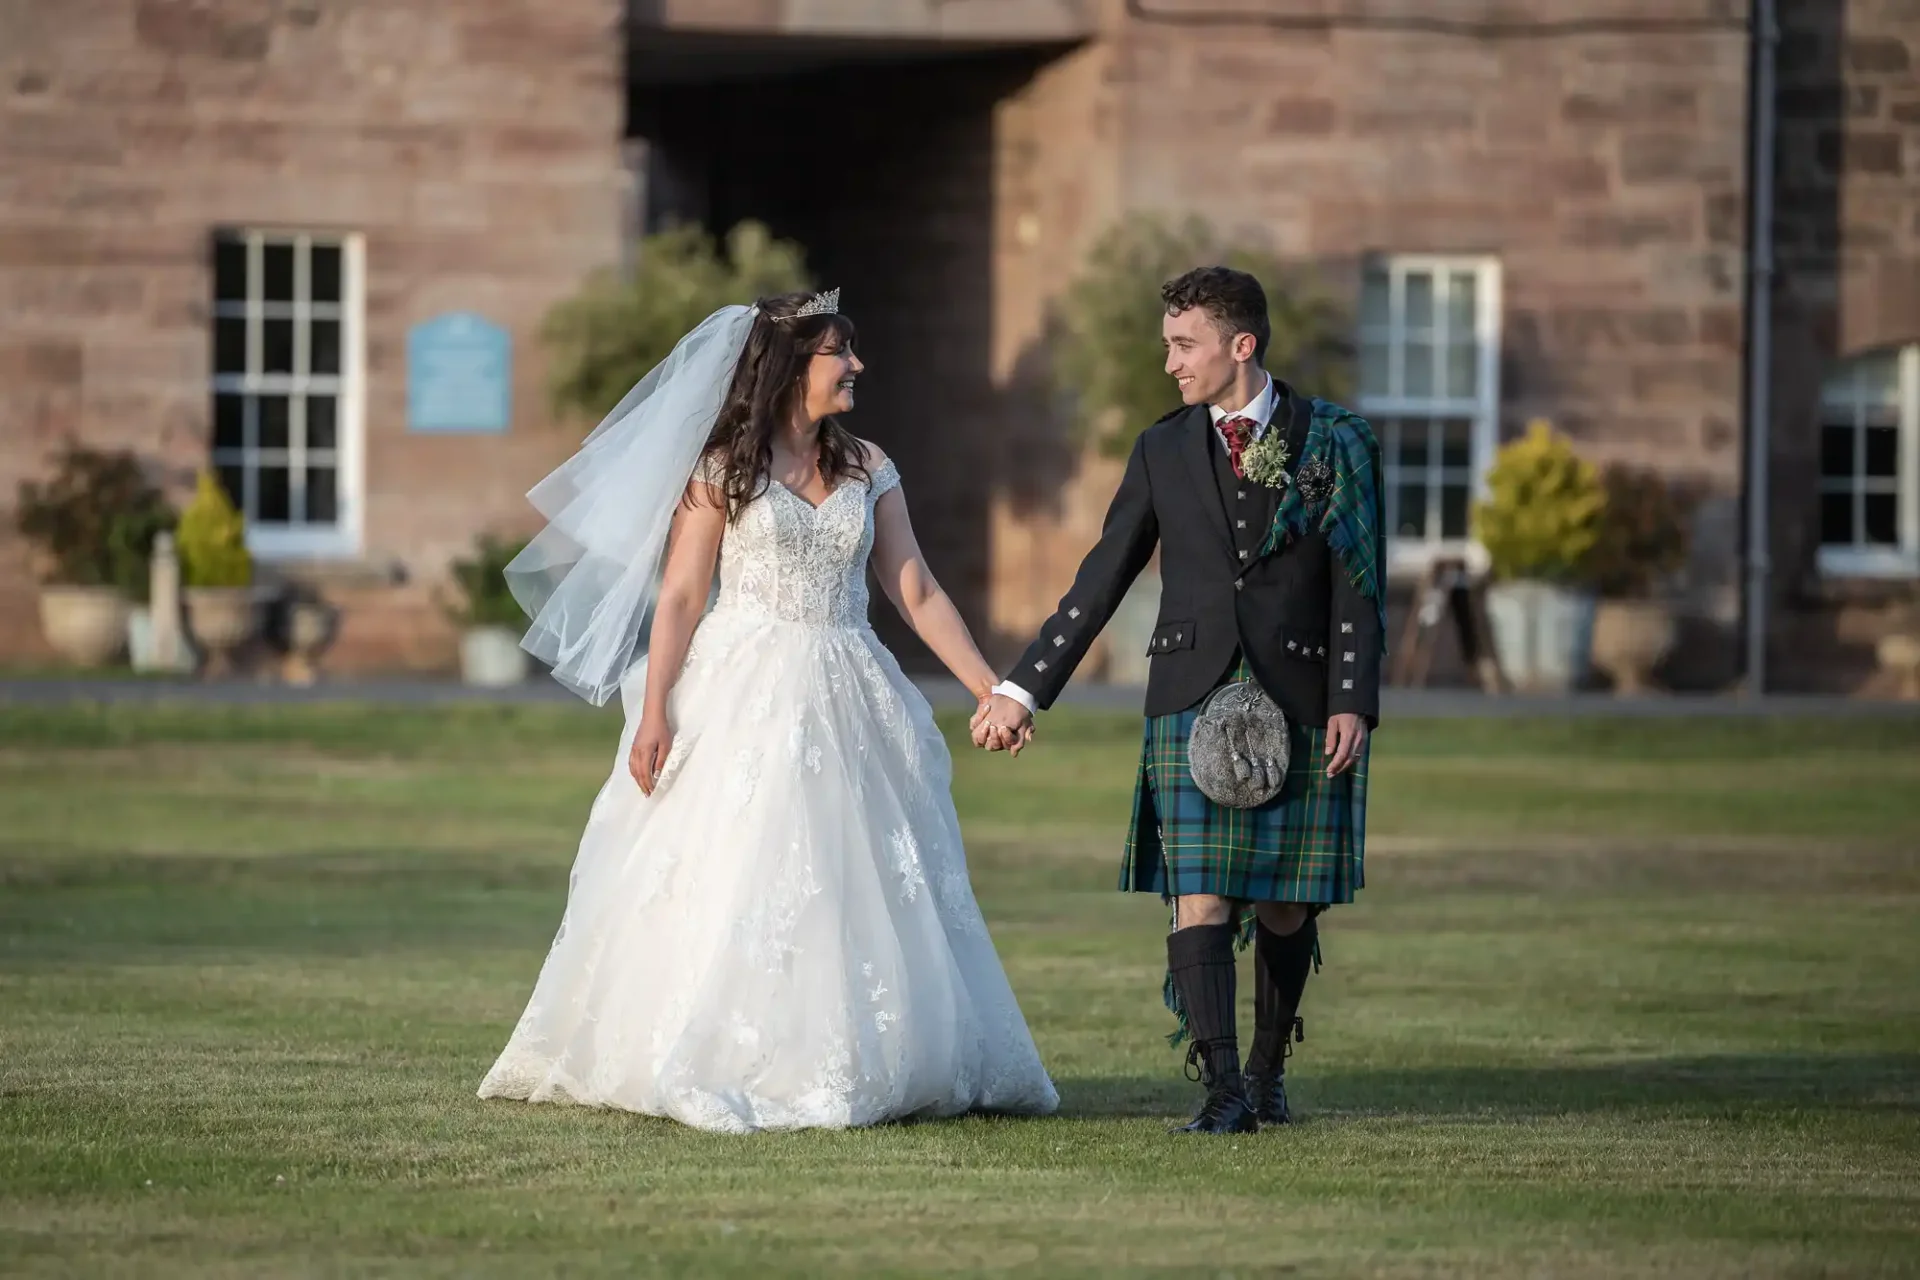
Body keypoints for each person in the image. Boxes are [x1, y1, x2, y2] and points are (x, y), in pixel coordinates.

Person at [478, 290, 1058, 1133]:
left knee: (858, 872)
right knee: (741, 863)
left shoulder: (869, 465)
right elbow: (679, 596)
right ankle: (720, 1052)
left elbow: (917, 589)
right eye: (839, 352)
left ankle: (863, 1054)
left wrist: (989, 687)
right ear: (792, 366)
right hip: (741, 686)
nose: (856, 366)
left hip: (850, 681)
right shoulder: (723, 468)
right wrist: (653, 713)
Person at [974, 266, 1385, 1135]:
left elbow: (1359, 580)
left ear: (1242, 346)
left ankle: (1269, 1074)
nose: (1170, 363)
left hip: (1305, 694)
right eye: (1168, 344)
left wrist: (1353, 697)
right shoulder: (1163, 448)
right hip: (1189, 695)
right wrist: (1022, 689)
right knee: (1196, 893)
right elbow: (1103, 576)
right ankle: (1224, 1090)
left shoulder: (1334, 441)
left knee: (1284, 901)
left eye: (1184, 344)